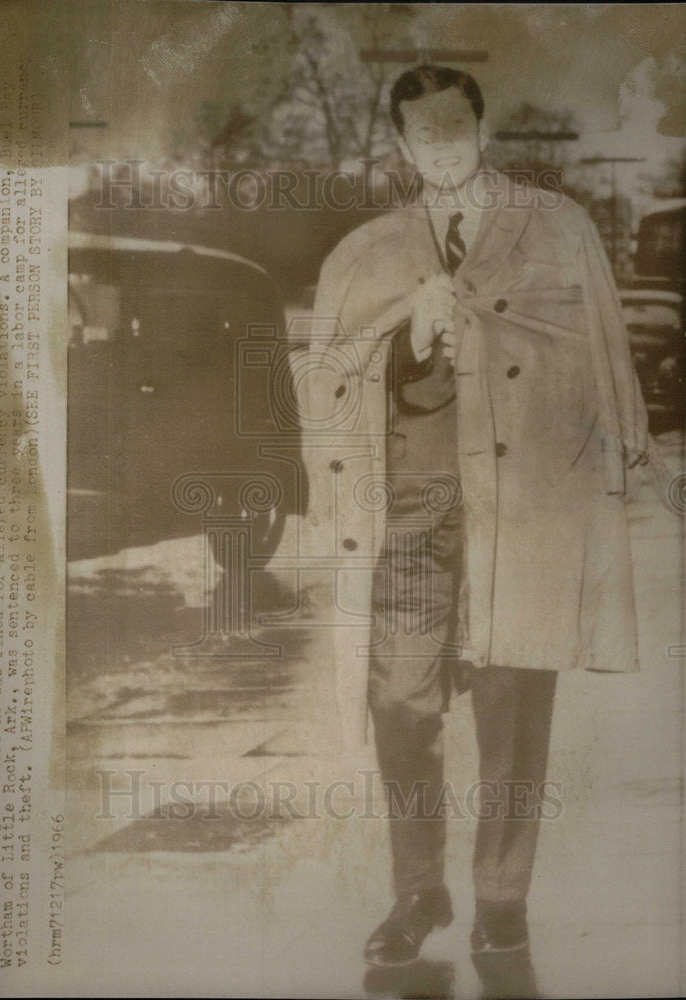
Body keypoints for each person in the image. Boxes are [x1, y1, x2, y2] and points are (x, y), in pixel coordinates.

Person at [301, 65, 649, 967]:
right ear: (401, 144)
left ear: (481, 129)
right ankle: (419, 892)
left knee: (512, 703)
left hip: (522, 513)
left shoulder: (558, 232)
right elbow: (326, 389)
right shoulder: (367, 253)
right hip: (412, 509)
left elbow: (604, 375)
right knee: (399, 702)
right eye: (423, 135)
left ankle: (502, 899)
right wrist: (408, 337)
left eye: (456, 130)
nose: (441, 149)